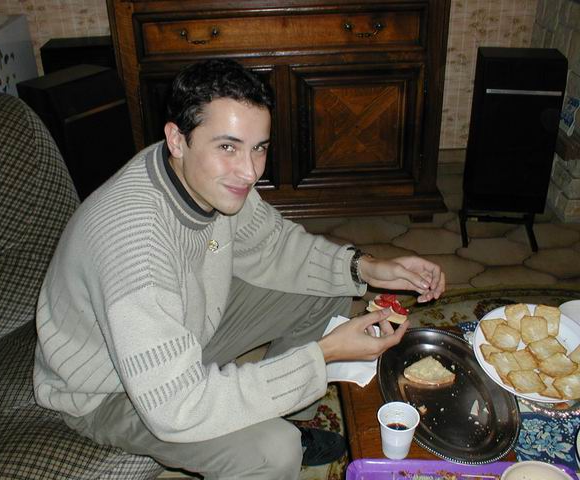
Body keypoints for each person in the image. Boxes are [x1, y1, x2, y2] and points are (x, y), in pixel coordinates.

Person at [33, 58, 445, 479]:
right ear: (177, 139)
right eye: (227, 147)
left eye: (258, 147)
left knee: (329, 285)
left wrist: (368, 268)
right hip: (111, 389)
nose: (249, 172)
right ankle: (276, 432)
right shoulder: (134, 247)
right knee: (273, 451)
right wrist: (322, 354)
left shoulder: (194, 172)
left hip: (184, 329)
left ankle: (284, 413)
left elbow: (274, 245)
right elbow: (176, 408)